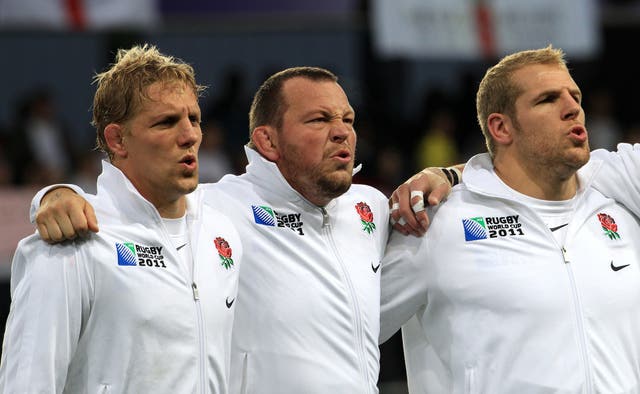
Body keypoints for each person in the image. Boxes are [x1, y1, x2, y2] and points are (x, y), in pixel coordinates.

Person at [27, 66, 391, 393]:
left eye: (348, 118)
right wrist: (54, 195)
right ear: (267, 140)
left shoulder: (370, 209)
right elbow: (139, 201)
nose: (342, 132)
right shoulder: (226, 208)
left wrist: (445, 174)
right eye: (319, 119)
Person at [381, 46, 640, 392]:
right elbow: (341, 334)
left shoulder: (618, 204)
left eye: (575, 96)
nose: (573, 108)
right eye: (548, 99)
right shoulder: (436, 223)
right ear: (501, 127)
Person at [0, 44, 243, 393]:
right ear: (117, 139)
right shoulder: (72, 242)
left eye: (194, 119)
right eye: (167, 122)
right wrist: (51, 194)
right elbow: (27, 383)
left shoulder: (221, 232)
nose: (189, 136)